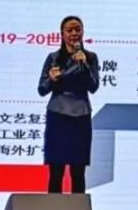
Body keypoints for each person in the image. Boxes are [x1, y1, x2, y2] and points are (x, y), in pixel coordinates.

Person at [38, 16, 99, 193]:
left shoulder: (90, 57)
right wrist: (51, 79)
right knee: (56, 172)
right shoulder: (53, 58)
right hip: (58, 115)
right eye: (69, 30)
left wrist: (84, 65)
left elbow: (93, 87)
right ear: (62, 34)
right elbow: (42, 89)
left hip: (81, 116)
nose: (74, 33)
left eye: (77, 29)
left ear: (83, 32)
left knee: (78, 172)